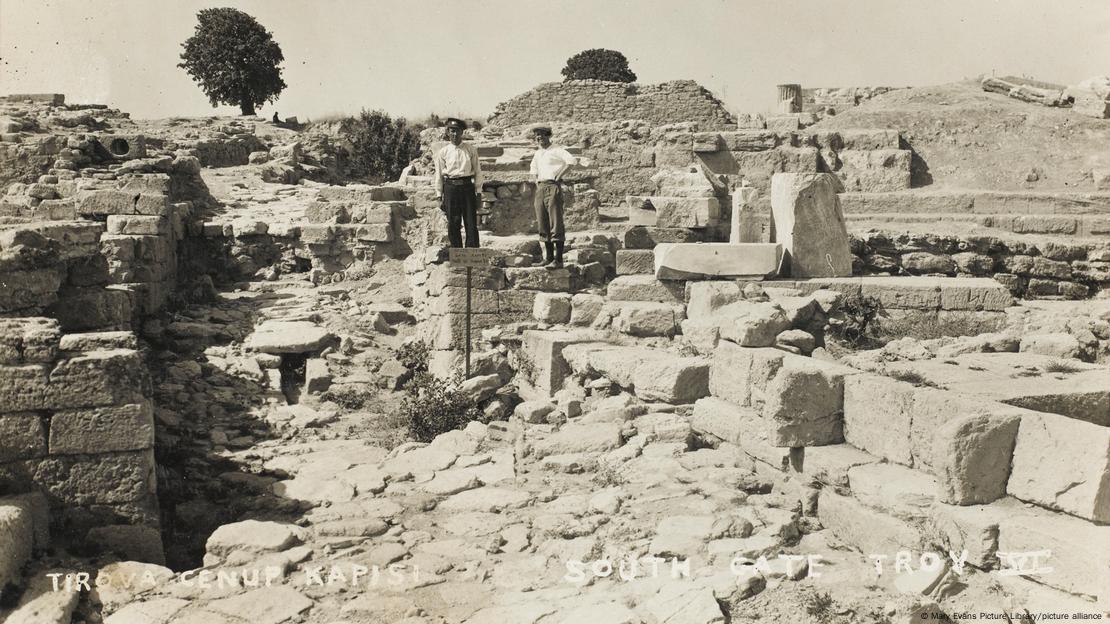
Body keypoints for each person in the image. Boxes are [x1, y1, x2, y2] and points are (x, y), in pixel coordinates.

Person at [529, 126, 577, 268]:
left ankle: (558, 260)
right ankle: (548, 258)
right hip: (541, 188)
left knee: (555, 222)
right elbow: (533, 170)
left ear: (548, 136)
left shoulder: (556, 150)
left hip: (553, 185)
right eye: (537, 136)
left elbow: (571, 161)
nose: (539, 138)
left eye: (542, 135)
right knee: (542, 222)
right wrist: (536, 181)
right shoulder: (538, 153)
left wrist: (559, 176)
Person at [433, 118, 483, 248]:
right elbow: (438, 174)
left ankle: (471, 258)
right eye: (452, 131)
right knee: (453, 224)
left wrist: (478, 193)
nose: (454, 134)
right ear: (448, 132)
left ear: (462, 132)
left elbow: (477, 171)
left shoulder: (471, 150)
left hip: (467, 188)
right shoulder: (443, 152)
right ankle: (457, 255)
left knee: (471, 224)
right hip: (451, 188)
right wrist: (439, 195)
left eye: (457, 131)